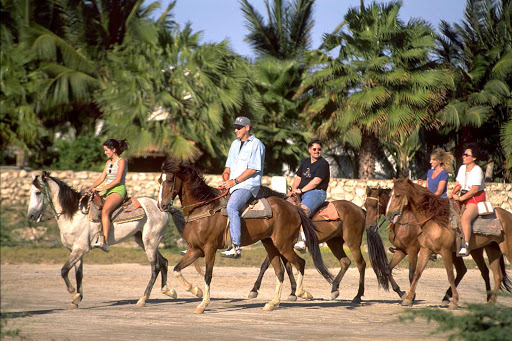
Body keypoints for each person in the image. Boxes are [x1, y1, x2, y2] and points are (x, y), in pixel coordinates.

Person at [220, 116, 265, 259]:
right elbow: (228, 167)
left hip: (247, 186)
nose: (235, 130)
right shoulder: (234, 144)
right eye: (235, 127)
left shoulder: (256, 144)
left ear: (247, 128)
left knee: (232, 207)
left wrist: (234, 182)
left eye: (239, 128)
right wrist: (226, 178)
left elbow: (253, 169)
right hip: (233, 184)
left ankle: (235, 247)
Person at [288, 138, 330, 251]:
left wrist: (301, 191)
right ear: (309, 150)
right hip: (301, 191)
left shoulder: (323, 164)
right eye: (314, 149)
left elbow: (316, 181)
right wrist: (294, 189)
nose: (317, 151)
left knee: (303, 210)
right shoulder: (305, 162)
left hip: (316, 192)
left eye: (319, 149)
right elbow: (298, 177)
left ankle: (303, 240)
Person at [90, 139, 129, 252]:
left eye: (107, 150)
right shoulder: (108, 163)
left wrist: (102, 188)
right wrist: (92, 188)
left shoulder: (121, 161)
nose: (105, 153)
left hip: (118, 190)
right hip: (107, 190)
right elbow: (102, 178)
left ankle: (105, 242)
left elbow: (117, 180)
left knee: (105, 211)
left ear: (114, 150)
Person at [448, 143, 486, 256]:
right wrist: (452, 194)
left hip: (475, 199)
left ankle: (465, 245)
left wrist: (460, 198)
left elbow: (474, 190)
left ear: (474, 158)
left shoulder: (477, 170)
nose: (463, 156)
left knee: (465, 218)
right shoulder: (462, 168)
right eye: (463, 154)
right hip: (463, 197)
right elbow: (458, 184)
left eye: (466, 155)